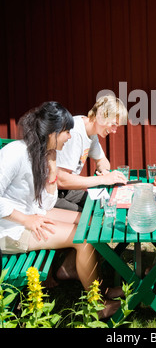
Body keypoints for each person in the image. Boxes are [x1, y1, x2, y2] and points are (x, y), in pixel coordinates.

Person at [0, 101, 119, 318]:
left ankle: (82, 275)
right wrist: (26, 220)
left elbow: (45, 203)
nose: (70, 137)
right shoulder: (15, 152)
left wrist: (52, 167)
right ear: (53, 132)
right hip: (10, 228)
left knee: (90, 223)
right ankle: (97, 304)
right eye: (66, 132)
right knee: (83, 238)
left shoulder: (43, 154)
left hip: (33, 212)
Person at [55, 94, 128, 212]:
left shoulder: (90, 130)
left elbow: (102, 160)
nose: (114, 131)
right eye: (113, 124)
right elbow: (60, 180)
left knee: (104, 204)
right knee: (90, 217)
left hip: (66, 190)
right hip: (50, 193)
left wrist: (104, 172)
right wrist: (103, 180)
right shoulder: (75, 132)